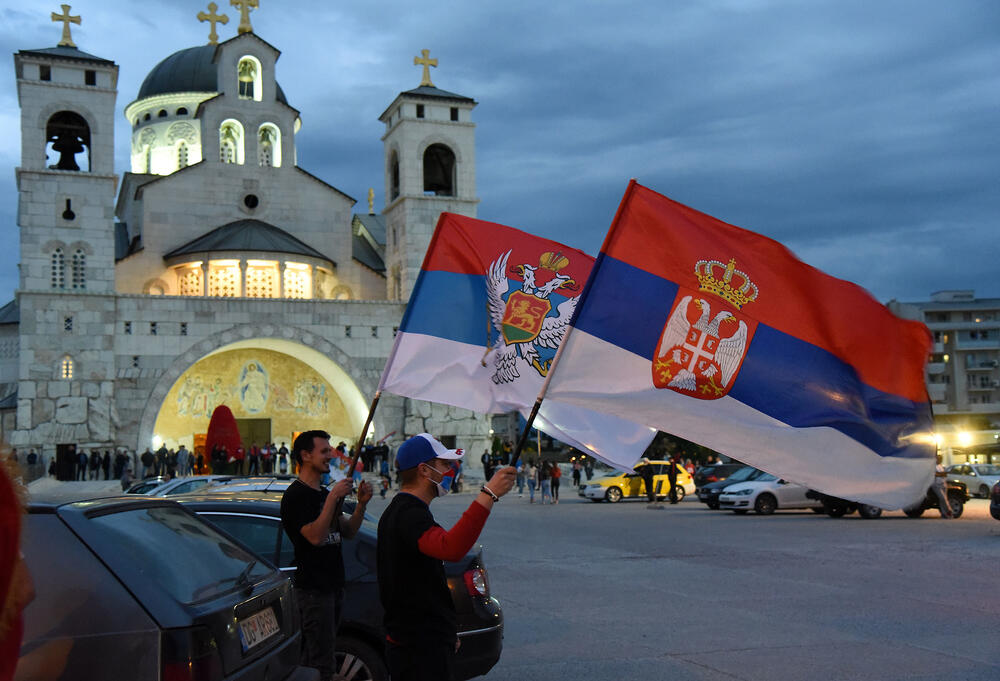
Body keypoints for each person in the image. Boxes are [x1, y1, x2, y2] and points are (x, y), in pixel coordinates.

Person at [377, 434, 515, 681]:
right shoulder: (408, 515)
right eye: (444, 464)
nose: (451, 470)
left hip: (424, 642)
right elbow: (451, 547)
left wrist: (446, 632)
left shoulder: (408, 511)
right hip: (418, 650)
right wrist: (488, 494)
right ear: (423, 470)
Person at [280, 430, 373, 681]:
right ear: (305, 455)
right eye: (324, 451)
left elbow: (348, 530)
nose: (331, 455)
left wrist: (361, 504)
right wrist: (333, 497)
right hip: (313, 590)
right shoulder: (295, 496)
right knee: (318, 661)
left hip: (334, 586)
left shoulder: (322, 492)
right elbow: (314, 536)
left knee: (326, 653)